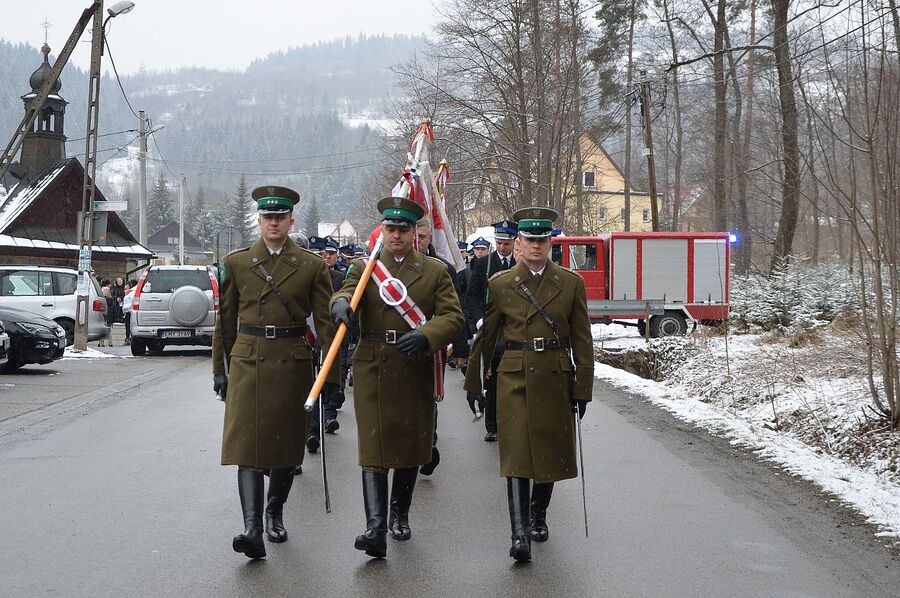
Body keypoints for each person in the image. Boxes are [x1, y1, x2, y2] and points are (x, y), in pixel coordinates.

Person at [331, 196, 463, 559]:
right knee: (373, 445)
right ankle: (374, 527)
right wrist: (340, 304)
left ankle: (399, 514)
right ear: (383, 231)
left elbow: (453, 318)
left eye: (404, 230)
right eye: (390, 229)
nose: (396, 236)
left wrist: (426, 335)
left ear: (415, 232)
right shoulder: (365, 268)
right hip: (373, 363)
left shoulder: (434, 272)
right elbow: (345, 292)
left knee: (408, 444)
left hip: (414, 364)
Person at [212, 185, 338, 560]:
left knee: (286, 446)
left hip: (291, 359)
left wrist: (329, 375)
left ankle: (273, 513)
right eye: (267, 218)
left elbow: (326, 322)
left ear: (290, 221)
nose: (273, 224)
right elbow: (226, 320)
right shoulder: (236, 262)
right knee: (245, 446)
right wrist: (220, 369)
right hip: (248, 360)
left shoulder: (312, 266)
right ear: (259, 220)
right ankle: (251, 528)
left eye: (280, 218)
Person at [464, 207, 593, 562]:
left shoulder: (570, 283)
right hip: (514, 376)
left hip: (554, 375)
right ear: (518, 243)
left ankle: (538, 515)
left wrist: (583, 387)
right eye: (530, 240)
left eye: (542, 239)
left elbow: (582, 339)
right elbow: (488, 337)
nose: (536, 245)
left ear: (550, 242)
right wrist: (474, 382)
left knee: (548, 452)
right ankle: (518, 532)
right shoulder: (500, 284)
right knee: (518, 453)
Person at [414, 218, 468, 476]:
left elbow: (454, 311)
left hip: (431, 346)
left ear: (430, 239)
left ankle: (429, 442)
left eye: (422, 236)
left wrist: (460, 350)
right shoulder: (387, 271)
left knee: (427, 398)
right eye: (413, 234)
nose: (417, 240)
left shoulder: (443, 269)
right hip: (396, 348)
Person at [465, 220, 518, 441]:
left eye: (507, 243)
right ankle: (492, 425)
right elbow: (472, 296)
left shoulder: (519, 264)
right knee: (492, 376)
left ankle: (513, 421)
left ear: (514, 242)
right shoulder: (483, 264)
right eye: (499, 242)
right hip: (490, 328)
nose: (503, 247)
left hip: (514, 327)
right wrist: (479, 321)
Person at [304, 235, 346, 455]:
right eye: (322, 253)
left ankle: (327, 416)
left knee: (326, 383)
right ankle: (311, 430)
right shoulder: (303, 276)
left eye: (329, 253)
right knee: (309, 386)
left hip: (331, 335)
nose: (325, 257)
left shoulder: (339, 278)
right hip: (305, 338)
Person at [122, 278, 137, 345]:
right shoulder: (130, 292)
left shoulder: (132, 293)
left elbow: (131, 302)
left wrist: (126, 308)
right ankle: (128, 338)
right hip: (128, 311)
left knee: (129, 326)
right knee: (128, 326)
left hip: (130, 311)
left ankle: (129, 339)